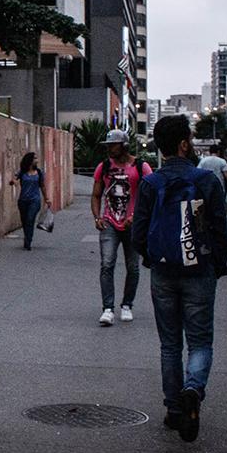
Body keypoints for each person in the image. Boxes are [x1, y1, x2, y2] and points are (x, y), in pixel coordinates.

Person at [132, 115, 227, 443]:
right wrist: (217, 263)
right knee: (200, 341)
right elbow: (219, 229)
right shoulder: (206, 180)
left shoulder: (151, 183)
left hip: (163, 271)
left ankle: (175, 409)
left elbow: (139, 232)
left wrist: (150, 257)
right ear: (184, 144)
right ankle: (193, 388)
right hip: (199, 271)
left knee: (170, 343)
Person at [91, 129, 152, 326]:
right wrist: (97, 217)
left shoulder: (141, 167)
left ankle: (127, 305)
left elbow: (149, 197)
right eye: (108, 145)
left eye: (113, 144)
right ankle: (107, 308)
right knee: (107, 264)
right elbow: (96, 194)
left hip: (133, 225)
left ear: (124, 145)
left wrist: (136, 217)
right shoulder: (105, 167)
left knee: (132, 267)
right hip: (109, 222)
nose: (109, 148)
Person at [8, 151, 48, 250]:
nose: (37, 160)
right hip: (23, 200)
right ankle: (27, 236)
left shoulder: (39, 172)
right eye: (35, 158)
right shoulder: (22, 172)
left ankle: (28, 241)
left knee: (30, 219)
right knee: (25, 221)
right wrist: (14, 182)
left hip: (35, 200)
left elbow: (42, 186)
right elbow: (13, 180)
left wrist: (47, 198)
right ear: (30, 160)